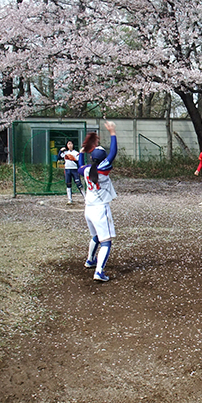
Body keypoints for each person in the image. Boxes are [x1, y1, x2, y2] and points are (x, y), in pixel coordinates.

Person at [78, 121, 118, 282]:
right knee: (106, 242)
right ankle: (99, 272)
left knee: (95, 236)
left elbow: (79, 165)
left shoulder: (87, 169)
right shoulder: (103, 168)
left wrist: (81, 151)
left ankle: (90, 260)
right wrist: (112, 132)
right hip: (100, 209)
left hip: (88, 209)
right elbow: (113, 153)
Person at [59, 140, 84, 204]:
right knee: (68, 184)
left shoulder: (76, 153)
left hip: (74, 170)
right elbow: (59, 157)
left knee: (79, 184)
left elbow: (79, 161)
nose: (70, 145)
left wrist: (73, 159)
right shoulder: (65, 153)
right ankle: (70, 199)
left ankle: (85, 197)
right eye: (68, 144)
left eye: (71, 144)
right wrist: (60, 150)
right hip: (67, 169)